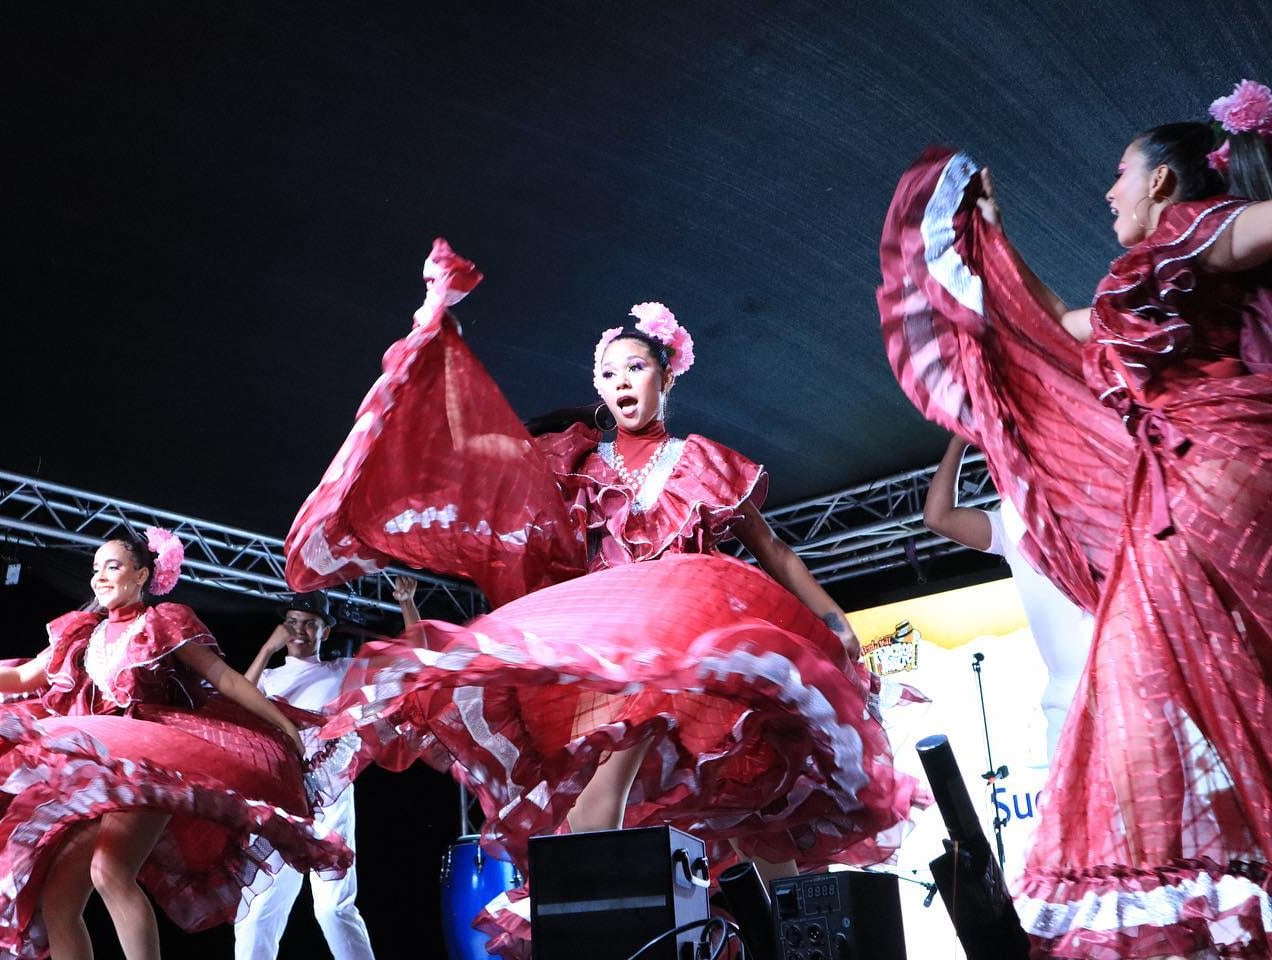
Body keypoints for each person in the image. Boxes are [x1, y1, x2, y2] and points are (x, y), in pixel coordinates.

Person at [285, 240, 920, 954]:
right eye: (608, 370)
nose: (622, 381)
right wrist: (435, 335)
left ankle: (775, 940)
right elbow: (490, 476)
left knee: (752, 818)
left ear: (665, 379)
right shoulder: (577, 467)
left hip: (698, 638)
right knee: (614, 804)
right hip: (620, 653)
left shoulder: (705, 462)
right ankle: (607, 932)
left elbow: (771, 549)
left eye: (637, 367)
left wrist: (830, 617)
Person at [878, 79, 1272, 957]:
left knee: (1149, 696)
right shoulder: (1155, 269)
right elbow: (1055, 324)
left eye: (1120, 174)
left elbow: (1256, 228)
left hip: (1212, 485)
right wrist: (996, 243)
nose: (1107, 191)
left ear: (1166, 183)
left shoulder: (1193, 229)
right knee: (1213, 691)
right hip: (1186, 496)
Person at [0, 530, 352, 960]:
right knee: (57, 900)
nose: (100, 576)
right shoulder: (83, 633)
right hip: (101, 762)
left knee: (111, 871)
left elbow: (225, 679)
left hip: (157, 759)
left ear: (142, 575)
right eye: (95, 568)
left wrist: (281, 725)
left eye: (113, 566)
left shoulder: (163, 622)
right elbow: (24, 676)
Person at [233, 584, 416, 960]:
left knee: (333, 907)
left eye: (308, 623)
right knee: (256, 912)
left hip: (329, 798)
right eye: (291, 623)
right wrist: (267, 648)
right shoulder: (268, 678)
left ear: (325, 631)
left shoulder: (342, 672)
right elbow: (233, 704)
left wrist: (407, 604)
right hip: (279, 801)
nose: (298, 631)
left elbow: (412, 662)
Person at [923, 436, 1093, 763]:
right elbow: (937, 517)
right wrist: (958, 441)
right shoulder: (1010, 524)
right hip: (1065, 701)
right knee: (1078, 812)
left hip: (1122, 681)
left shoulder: (1089, 507)